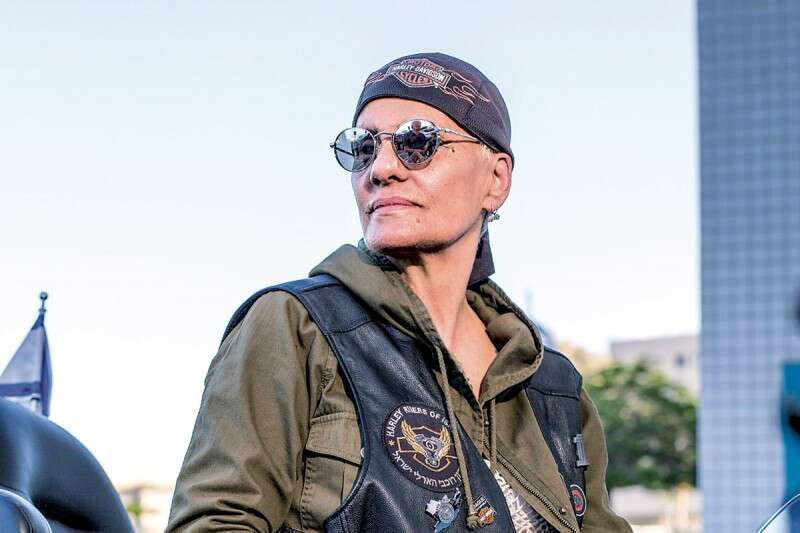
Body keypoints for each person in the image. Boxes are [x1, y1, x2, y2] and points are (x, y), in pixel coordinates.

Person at [166, 52, 632, 533]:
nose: (382, 168)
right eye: (363, 148)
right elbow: (215, 521)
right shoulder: (297, 327)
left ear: (496, 180)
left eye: (418, 142)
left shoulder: (554, 387)